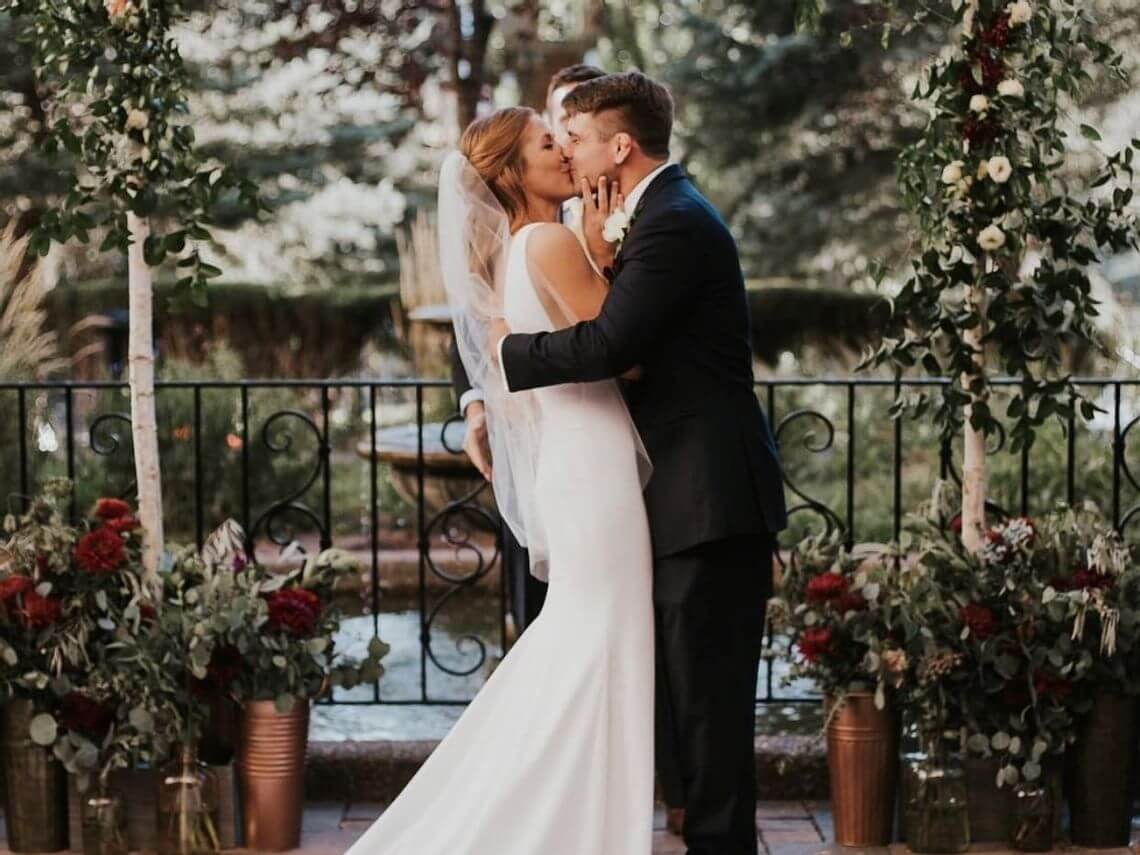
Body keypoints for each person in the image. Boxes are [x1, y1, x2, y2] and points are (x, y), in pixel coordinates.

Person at [494, 71, 788, 855]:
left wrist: (508, 353)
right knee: (690, 709)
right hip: (681, 498)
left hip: (709, 499)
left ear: (620, 146)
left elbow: (612, 346)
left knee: (711, 714)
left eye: (580, 137)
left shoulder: (674, 223)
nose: (570, 149)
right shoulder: (652, 216)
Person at [348, 105, 654, 854]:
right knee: (603, 639)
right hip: (591, 461)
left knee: (585, 638)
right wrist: (606, 249)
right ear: (515, 172)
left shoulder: (518, 251)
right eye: (548, 143)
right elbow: (626, 350)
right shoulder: (548, 239)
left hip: (577, 459)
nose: (564, 152)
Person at [451, 63, 605, 635]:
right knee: (563, 624)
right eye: (554, 134)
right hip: (556, 444)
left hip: (588, 440)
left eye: (574, 132)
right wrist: (479, 399)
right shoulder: (529, 240)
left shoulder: (581, 222)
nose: (567, 146)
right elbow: (474, 328)